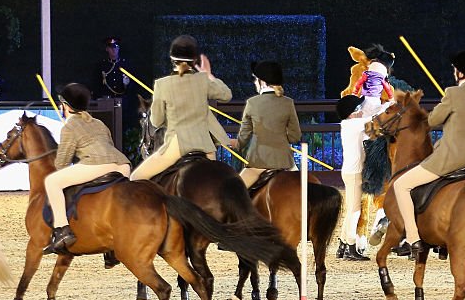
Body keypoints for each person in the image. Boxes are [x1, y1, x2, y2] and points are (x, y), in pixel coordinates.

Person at [391, 51, 465, 255]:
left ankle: (413, 238)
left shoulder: (452, 93)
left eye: (455, 68)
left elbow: (433, 120)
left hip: (450, 157)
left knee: (401, 185)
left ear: (461, 72)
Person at [42, 83, 131, 254]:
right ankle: (111, 248)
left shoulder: (69, 126)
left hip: (97, 165)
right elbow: (109, 145)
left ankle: (62, 230)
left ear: (65, 106)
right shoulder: (98, 122)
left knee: (52, 182)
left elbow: (62, 163)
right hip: (123, 166)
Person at [130, 35, 232, 181]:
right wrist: (209, 75)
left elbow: (157, 121)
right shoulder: (202, 80)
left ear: (172, 59)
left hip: (178, 145)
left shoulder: (162, 84)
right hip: (206, 146)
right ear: (195, 61)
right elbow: (226, 95)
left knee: (135, 177)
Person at [236, 61, 301, 188]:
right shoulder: (288, 102)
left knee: (234, 193)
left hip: (258, 162)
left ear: (263, 82)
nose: (255, 83)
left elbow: (244, 137)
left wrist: (237, 145)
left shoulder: (252, 103)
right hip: (284, 162)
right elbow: (295, 137)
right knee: (305, 194)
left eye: (256, 80)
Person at [336, 94, 372, 261]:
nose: (360, 111)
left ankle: (343, 245)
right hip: (354, 172)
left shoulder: (352, 125)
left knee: (352, 208)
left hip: (352, 171)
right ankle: (351, 247)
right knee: (354, 210)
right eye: (358, 109)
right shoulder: (352, 124)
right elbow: (375, 117)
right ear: (351, 113)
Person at [352, 44, 395, 116]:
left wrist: (355, 93)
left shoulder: (366, 74)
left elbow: (359, 83)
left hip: (363, 98)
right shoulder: (381, 78)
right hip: (374, 100)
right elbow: (387, 88)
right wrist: (391, 98)